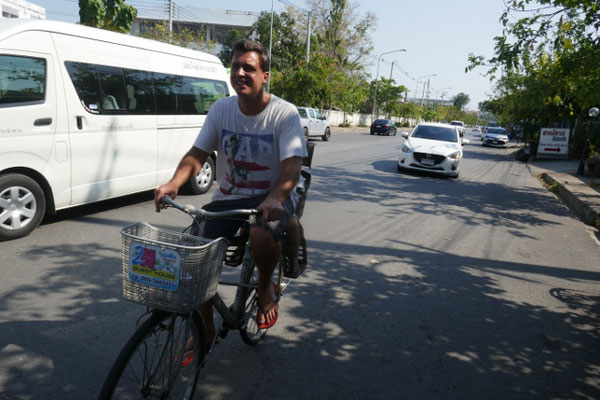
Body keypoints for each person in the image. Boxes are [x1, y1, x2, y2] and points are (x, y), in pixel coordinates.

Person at [154, 39, 307, 349]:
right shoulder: (221, 109)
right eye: (235, 66)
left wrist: (275, 198)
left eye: (248, 67)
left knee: (262, 235)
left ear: (265, 76)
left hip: (272, 195)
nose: (240, 72)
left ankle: (265, 289)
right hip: (229, 198)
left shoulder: (284, 114)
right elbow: (197, 153)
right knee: (194, 257)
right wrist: (173, 183)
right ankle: (206, 330)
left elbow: (292, 165)